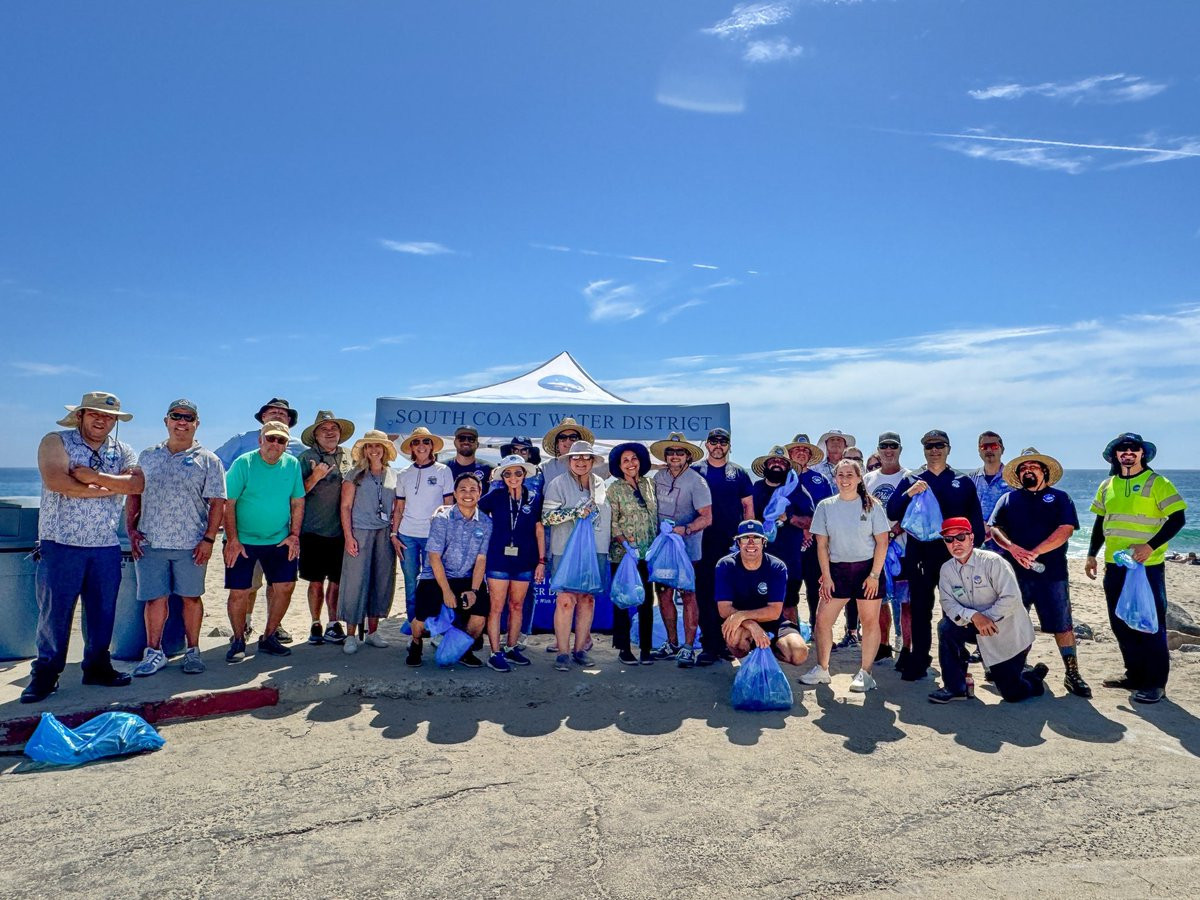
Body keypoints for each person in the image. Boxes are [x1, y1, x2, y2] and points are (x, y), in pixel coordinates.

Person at [22, 392, 143, 703]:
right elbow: (57, 482)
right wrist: (110, 487)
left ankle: (97, 667)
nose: (102, 420)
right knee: (54, 614)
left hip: (104, 544)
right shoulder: (56, 442)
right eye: (94, 413)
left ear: (115, 421)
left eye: (109, 416)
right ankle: (45, 674)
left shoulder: (123, 450)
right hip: (60, 542)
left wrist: (92, 478)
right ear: (80, 415)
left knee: (103, 612)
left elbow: (136, 485)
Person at [1085, 433, 1187, 704]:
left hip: (1146, 567)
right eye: (1123, 449)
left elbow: (1178, 518)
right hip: (1115, 565)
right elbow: (1100, 523)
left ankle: (1155, 684)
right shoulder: (1107, 485)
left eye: (1134, 449)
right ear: (1115, 455)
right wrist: (1091, 555)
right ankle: (1134, 675)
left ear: (1142, 453)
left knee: (1150, 624)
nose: (1128, 453)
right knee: (1120, 622)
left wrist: (1150, 546)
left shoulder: (1158, 482)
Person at [126, 399, 225, 678]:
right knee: (154, 600)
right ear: (166, 421)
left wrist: (208, 540)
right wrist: (131, 530)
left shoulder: (209, 460)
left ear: (197, 424)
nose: (182, 422)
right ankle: (153, 652)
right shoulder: (147, 456)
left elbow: (218, 503)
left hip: (191, 544)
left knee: (191, 598)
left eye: (188, 417)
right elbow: (133, 494)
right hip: (151, 542)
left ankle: (193, 651)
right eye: (176, 416)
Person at [988, 448, 1092, 698]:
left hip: (1052, 574)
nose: (1028, 471)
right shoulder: (1008, 499)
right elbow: (995, 529)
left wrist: (1035, 552)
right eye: (1023, 468)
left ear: (1044, 471)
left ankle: (1072, 673)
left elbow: (1066, 530)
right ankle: (1014, 666)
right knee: (1015, 623)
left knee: (1062, 625)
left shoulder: (1060, 498)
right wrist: (1012, 548)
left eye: (1033, 466)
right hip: (1015, 575)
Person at [886, 430, 985, 682]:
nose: (934, 450)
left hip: (954, 556)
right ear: (924, 450)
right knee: (920, 609)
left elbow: (976, 523)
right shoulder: (912, 478)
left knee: (956, 609)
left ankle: (956, 660)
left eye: (939, 445)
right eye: (929, 446)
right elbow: (892, 510)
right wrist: (909, 493)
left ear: (948, 449)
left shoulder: (962, 481)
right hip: (919, 553)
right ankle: (919, 659)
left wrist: (971, 554)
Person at [928, 517, 1049, 704]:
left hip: (1007, 632)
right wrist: (975, 617)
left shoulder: (993, 562)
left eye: (960, 537)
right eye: (949, 539)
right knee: (946, 627)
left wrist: (986, 618)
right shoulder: (946, 570)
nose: (955, 543)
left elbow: (1011, 598)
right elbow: (948, 604)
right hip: (975, 625)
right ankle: (955, 687)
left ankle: (1034, 678)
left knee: (1012, 693)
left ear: (971, 538)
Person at [214, 397, 303, 643]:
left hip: (278, 536)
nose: (275, 443)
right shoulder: (241, 450)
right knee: (246, 588)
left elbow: (298, 498)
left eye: (280, 440)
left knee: (281, 586)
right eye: (270, 438)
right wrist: (232, 538)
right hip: (243, 538)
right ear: (260, 436)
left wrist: (294, 535)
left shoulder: (296, 455)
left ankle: (272, 632)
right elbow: (219, 477)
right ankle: (241, 632)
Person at [801, 459, 890, 692]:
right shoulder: (825, 506)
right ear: (835, 478)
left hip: (867, 570)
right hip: (837, 571)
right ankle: (822, 669)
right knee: (822, 620)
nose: (845, 479)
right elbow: (822, 545)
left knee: (869, 622)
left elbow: (882, 542)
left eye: (850, 475)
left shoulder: (872, 505)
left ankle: (866, 673)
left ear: (859, 478)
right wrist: (826, 576)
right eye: (840, 475)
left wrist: (874, 575)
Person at [405, 473, 492, 668]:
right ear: (454, 493)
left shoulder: (486, 523)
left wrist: (474, 591)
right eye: (463, 489)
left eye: (473, 490)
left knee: (480, 615)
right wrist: (446, 591)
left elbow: (481, 559)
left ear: (480, 493)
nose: (467, 494)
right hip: (434, 577)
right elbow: (434, 557)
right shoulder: (442, 519)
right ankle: (416, 643)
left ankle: (463, 650)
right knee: (421, 621)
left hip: (467, 578)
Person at [542, 440, 611, 671]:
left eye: (586, 457)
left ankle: (580, 649)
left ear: (592, 461)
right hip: (565, 550)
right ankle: (563, 653)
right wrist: (574, 512)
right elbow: (547, 517)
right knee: (565, 600)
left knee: (587, 599)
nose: (581, 462)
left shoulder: (600, 483)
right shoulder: (557, 484)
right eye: (576, 457)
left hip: (596, 549)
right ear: (569, 460)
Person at [649, 432, 712, 667]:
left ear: (688, 456)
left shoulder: (697, 481)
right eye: (670, 452)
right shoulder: (658, 477)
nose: (675, 456)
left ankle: (688, 647)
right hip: (663, 549)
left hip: (689, 550)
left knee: (688, 595)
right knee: (664, 593)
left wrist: (686, 529)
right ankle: (672, 642)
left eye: (680, 452)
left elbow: (707, 517)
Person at [692, 427, 755, 666]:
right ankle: (709, 646)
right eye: (714, 441)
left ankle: (727, 644)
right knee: (705, 594)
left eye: (723, 442)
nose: (718, 445)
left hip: (731, 545)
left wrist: (748, 539)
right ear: (707, 444)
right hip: (702, 543)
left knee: (730, 596)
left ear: (729, 446)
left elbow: (748, 507)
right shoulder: (695, 470)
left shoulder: (739, 473)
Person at [478, 455, 545, 671]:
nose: (513, 477)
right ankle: (495, 653)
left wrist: (541, 561)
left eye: (517, 472)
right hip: (498, 559)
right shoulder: (495, 496)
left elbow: (539, 530)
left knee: (517, 606)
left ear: (524, 474)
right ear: (503, 476)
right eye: (507, 473)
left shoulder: (534, 498)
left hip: (525, 560)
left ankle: (511, 647)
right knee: (497, 607)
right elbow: (473, 512)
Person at [337, 430, 400, 654]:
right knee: (355, 582)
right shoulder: (354, 474)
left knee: (381, 581)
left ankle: (373, 632)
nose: (374, 450)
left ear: (384, 450)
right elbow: (345, 507)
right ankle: (350, 635)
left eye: (378, 446)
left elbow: (398, 507)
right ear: (364, 450)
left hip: (384, 532)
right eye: (370, 446)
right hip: (359, 532)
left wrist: (395, 532)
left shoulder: (393, 475)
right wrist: (348, 537)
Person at [716, 521, 809, 667]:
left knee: (799, 653)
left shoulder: (777, 567)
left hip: (772, 622)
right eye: (745, 538)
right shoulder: (726, 565)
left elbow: (774, 612)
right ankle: (749, 661)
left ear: (764, 542)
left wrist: (742, 615)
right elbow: (724, 609)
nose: (751, 543)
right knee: (734, 637)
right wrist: (751, 624)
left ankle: (770, 651)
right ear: (738, 542)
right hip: (741, 624)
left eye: (756, 538)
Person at [298, 410, 354, 646]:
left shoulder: (350, 456)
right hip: (312, 529)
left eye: (334, 428)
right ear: (315, 434)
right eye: (324, 429)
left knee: (337, 580)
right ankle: (315, 623)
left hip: (342, 531)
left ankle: (333, 623)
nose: (330, 432)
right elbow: (296, 493)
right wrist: (315, 477)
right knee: (315, 581)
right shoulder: (305, 458)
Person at [393, 427, 454, 631]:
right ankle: (414, 624)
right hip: (407, 535)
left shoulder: (443, 471)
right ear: (411, 447)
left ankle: (431, 624)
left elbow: (448, 505)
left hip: (433, 537)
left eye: (426, 441)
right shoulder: (403, 474)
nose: (421, 446)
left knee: (432, 581)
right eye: (416, 442)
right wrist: (394, 534)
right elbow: (399, 507)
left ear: (432, 446)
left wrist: (446, 535)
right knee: (411, 582)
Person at [606, 441, 659, 665]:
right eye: (625, 460)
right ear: (619, 465)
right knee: (623, 601)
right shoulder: (614, 489)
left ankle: (646, 649)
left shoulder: (649, 484)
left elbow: (654, 515)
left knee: (646, 601)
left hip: (647, 554)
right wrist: (626, 545)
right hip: (623, 555)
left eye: (634, 458)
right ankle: (624, 649)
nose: (630, 463)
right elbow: (612, 522)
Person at [750, 446, 811, 630]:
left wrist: (789, 517)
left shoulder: (796, 489)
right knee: (759, 603)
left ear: (788, 466)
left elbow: (811, 521)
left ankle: (792, 639)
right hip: (759, 558)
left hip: (789, 559)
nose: (777, 464)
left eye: (782, 461)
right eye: (773, 461)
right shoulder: (756, 489)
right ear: (766, 465)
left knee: (789, 603)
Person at [863, 431, 908, 664]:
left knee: (905, 600)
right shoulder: (868, 479)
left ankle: (906, 647)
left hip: (903, 549)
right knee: (878, 601)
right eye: (884, 446)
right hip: (874, 549)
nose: (888, 450)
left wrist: (893, 532)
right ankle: (883, 644)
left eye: (893, 446)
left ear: (900, 449)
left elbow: (916, 510)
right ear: (878, 450)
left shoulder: (909, 477)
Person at [785, 433, 833, 630]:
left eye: (805, 450)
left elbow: (829, 509)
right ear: (790, 454)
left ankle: (817, 627)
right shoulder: (783, 478)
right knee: (790, 587)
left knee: (815, 587)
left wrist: (810, 531)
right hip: (788, 541)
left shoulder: (820, 480)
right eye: (797, 449)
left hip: (816, 542)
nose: (801, 453)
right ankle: (791, 629)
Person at [969, 431, 1012, 548]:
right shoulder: (971, 478)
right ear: (979, 451)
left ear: (1002, 449)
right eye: (984, 446)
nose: (989, 450)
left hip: (1005, 543)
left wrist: (991, 527)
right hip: (977, 543)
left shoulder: (1013, 478)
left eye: (994, 446)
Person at [540, 418, 595, 488]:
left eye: (573, 437)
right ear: (557, 444)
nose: (568, 441)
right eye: (562, 437)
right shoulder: (544, 467)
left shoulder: (594, 465)